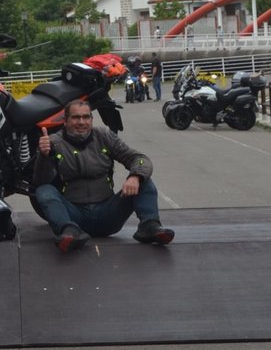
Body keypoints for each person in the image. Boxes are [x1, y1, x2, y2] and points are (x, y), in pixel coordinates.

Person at [33, 100, 171, 252]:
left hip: (108, 215)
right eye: (76, 117)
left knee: (144, 180)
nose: (81, 122)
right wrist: (44, 156)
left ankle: (150, 226)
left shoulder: (104, 136)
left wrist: (135, 176)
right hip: (75, 218)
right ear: (65, 121)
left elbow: (140, 159)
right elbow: (40, 181)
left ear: (92, 119)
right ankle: (67, 231)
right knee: (43, 190)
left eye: (86, 117)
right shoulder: (53, 142)